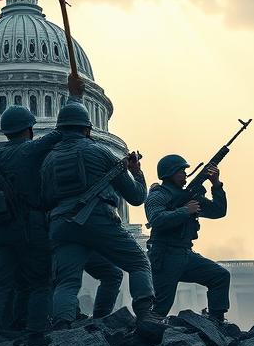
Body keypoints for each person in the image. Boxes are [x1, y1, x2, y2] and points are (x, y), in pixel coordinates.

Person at [41, 99, 158, 328]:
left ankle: (64, 328)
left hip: (62, 225)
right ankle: (145, 313)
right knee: (138, 263)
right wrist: (137, 173)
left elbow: (45, 199)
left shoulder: (48, 160)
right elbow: (136, 197)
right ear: (87, 128)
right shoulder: (100, 152)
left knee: (67, 282)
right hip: (98, 220)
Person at [0, 103, 65, 346]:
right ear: (29, 128)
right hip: (30, 228)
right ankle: (35, 334)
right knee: (40, 282)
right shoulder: (31, 150)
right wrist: (75, 97)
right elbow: (61, 131)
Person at [144, 154, 230, 322]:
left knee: (220, 276)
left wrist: (216, 184)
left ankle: (216, 320)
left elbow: (219, 211)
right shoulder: (158, 195)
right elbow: (156, 220)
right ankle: (141, 336)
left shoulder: (190, 196)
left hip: (185, 253)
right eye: (181, 171)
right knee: (160, 308)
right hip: (164, 254)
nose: (185, 175)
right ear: (170, 173)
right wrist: (185, 211)